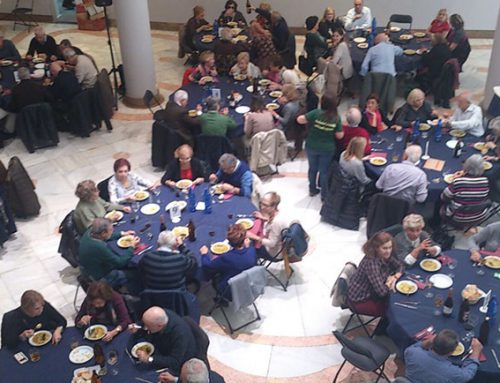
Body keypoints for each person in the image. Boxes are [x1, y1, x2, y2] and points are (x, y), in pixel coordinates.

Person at [296, 93, 344, 200]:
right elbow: (340, 135)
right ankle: (324, 195)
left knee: (312, 169)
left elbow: (300, 119)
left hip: (311, 146)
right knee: (324, 171)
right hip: (327, 149)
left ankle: (312, 189)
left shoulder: (316, 113)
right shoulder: (336, 118)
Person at [347, 232, 404, 316]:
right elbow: (382, 292)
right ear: (376, 248)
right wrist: (388, 283)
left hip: (373, 291)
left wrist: (394, 277)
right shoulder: (371, 263)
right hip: (360, 299)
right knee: (392, 310)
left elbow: (400, 265)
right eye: (384, 248)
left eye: (390, 247)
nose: (388, 251)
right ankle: (383, 328)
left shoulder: (383, 255)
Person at [128, 307, 197, 373]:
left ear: (160, 326)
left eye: (148, 326)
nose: (145, 328)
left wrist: (149, 359)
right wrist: (137, 325)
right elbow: (146, 323)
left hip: (177, 361)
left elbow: (174, 361)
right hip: (160, 343)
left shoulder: (180, 334)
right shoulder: (160, 315)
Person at [79, 218, 139, 289]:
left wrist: (122, 234)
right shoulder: (98, 247)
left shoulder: (90, 232)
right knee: (136, 273)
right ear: (103, 233)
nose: (112, 231)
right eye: (111, 230)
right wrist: (131, 247)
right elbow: (120, 263)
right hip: (100, 277)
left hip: (88, 269)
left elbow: (106, 236)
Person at [405, 329, 482, 383]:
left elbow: (415, 347)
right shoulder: (452, 372)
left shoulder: (412, 352)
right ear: (451, 352)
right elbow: (468, 374)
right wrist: (476, 352)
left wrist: (428, 341)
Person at [1, 290, 67, 349]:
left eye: (42, 305)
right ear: (26, 309)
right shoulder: (10, 318)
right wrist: (22, 336)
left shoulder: (43, 305)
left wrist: (58, 330)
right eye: (37, 308)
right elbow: (7, 344)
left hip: (50, 342)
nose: (41, 309)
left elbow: (62, 321)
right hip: (26, 348)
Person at [200, 224, 256, 292]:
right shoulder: (251, 250)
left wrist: (204, 254)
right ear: (244, 239)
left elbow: (207, 266)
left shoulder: (226, 257)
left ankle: (220, 297)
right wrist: (247, 247)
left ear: (229, 242)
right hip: (249, 283)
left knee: (214, 274)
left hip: (230, 290)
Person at [441, 154, 490, 226]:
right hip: (479, 216)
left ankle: (436, 224)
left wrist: (454, 180)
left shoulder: (459, 182)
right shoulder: (485, 181)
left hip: (459, 217)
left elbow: (444, 197)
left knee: (441, 204)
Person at [247, 192, 287, 259]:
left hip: (274, 253)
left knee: (248, 247)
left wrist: (253, 236)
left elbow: (271, 244)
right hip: (280, 245)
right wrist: (264, 218)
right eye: (261, 203)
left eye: (265, 205)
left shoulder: (276, 223)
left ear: (273, 206)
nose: (262, 207)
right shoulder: (277, 213)